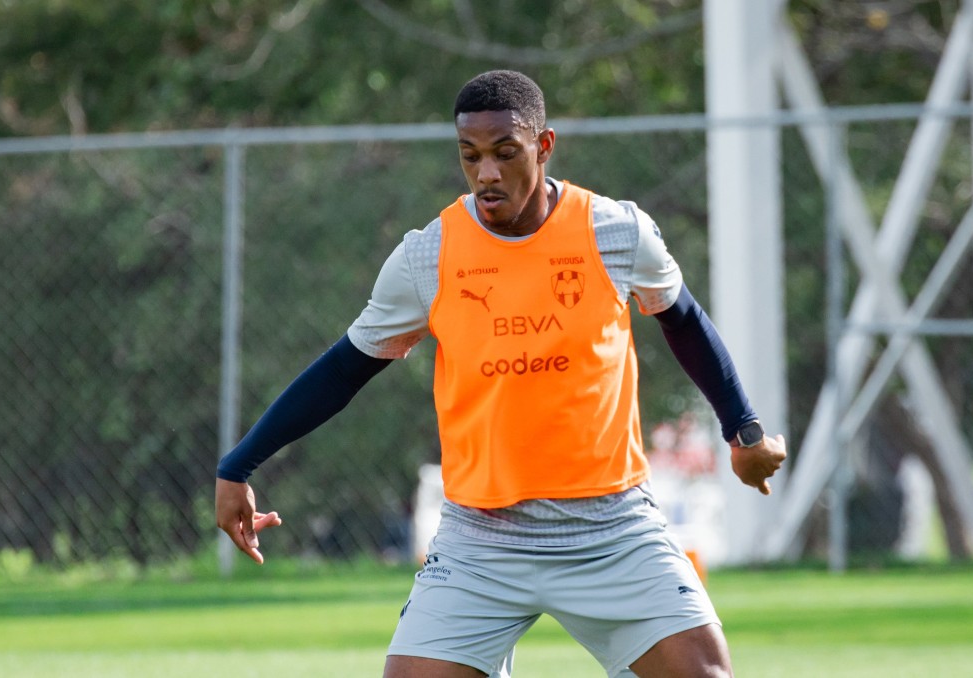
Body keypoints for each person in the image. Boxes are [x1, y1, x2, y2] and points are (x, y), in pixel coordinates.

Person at [215, 69, 787, 678]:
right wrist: (238, 466)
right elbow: (343, 370)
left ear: (543, 147)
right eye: (471, 156)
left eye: (504, 153)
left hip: (611, 528)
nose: (486, 172)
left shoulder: (615, 232)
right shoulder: (426, 256)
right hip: (482, 539)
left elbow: (685, 322)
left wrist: (742, 432)